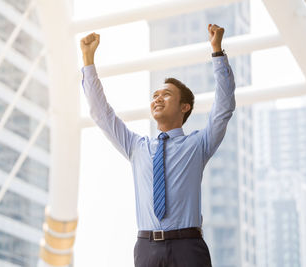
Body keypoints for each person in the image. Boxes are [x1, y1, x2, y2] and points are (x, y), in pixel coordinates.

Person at [80, 24, 235, 267]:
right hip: (146, 248)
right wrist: (88, 61)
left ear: (185, 107)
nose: (157, 99)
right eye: (154, 96)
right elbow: (101, 115)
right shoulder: (136, 147)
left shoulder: (198, 144)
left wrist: (217, 52)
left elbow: (224, 108)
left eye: (166, 94)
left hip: (188, 248)